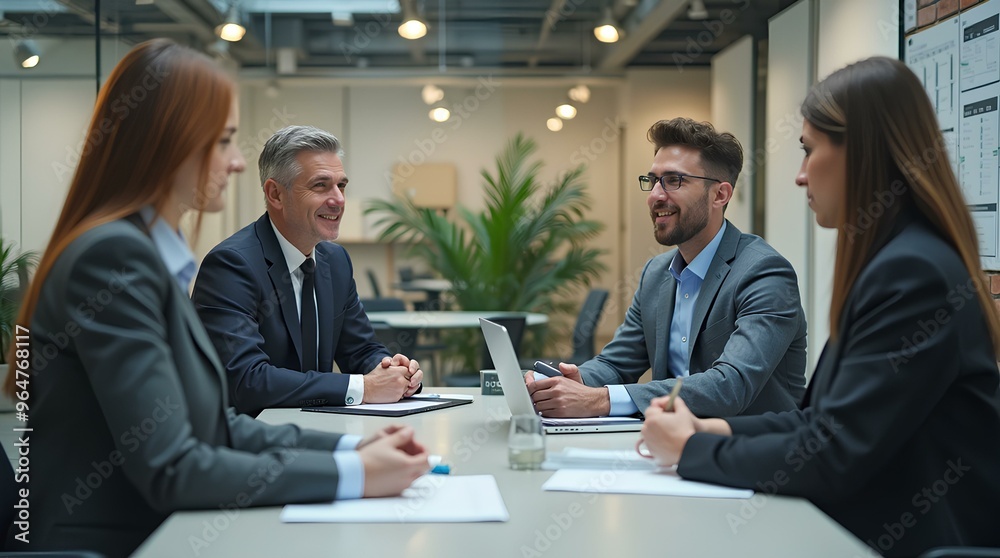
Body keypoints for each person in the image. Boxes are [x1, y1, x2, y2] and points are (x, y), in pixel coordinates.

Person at [3, 40, 429, 557]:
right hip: (115, 543)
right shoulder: (113, 258)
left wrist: (353, 448)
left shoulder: (143, 253)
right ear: (169, 143)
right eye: (224, 140)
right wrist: (353, 473)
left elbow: (214, 424)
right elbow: (172, 465)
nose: (233, 162)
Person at [640, 57, 1000, 557]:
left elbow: (833, 452)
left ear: (864, 153)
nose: (801, 177)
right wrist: (709, 427)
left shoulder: (912, 274)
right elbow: (819, 420)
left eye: (810, 151)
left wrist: (691, 449)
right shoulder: (900, 259)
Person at [527, 117, 807, 418]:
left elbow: (730, 386)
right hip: (668, 445)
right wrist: (571, 381)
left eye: (674, 181)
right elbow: (616, 364)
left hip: (751, 454)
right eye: (653, 181)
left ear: (720, 194)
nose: (656, 196)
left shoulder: (764, 272)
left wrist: (599, 400)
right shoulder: (656, 274)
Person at [191, 125, 422, 416]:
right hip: (253, 441)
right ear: (275, 194)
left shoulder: (335, 260)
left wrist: (392, 371)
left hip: (321, 430)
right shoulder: (231, 265)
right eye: (320, 185)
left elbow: (360, 350)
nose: (338, 199)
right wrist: (364, 387)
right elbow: (247, 380)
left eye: (342, 186)